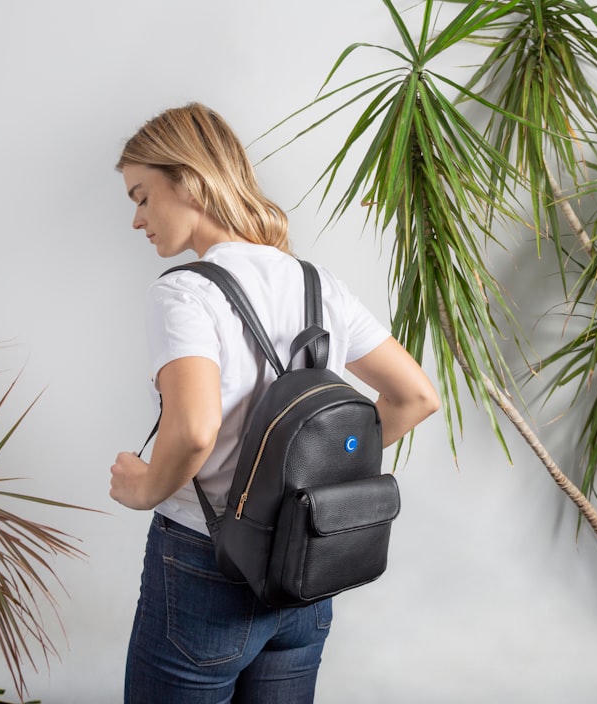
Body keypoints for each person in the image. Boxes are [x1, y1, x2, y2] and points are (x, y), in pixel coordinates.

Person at [109, 102, 440, 704]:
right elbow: (416, 395)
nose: (137, 219)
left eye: (141, 195)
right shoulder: (319, 285)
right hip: (307, 560)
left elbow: (193, 431)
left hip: (205, 562)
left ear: (188, 181)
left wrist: (142, 488)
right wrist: (303, 475)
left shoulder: (184, 292)